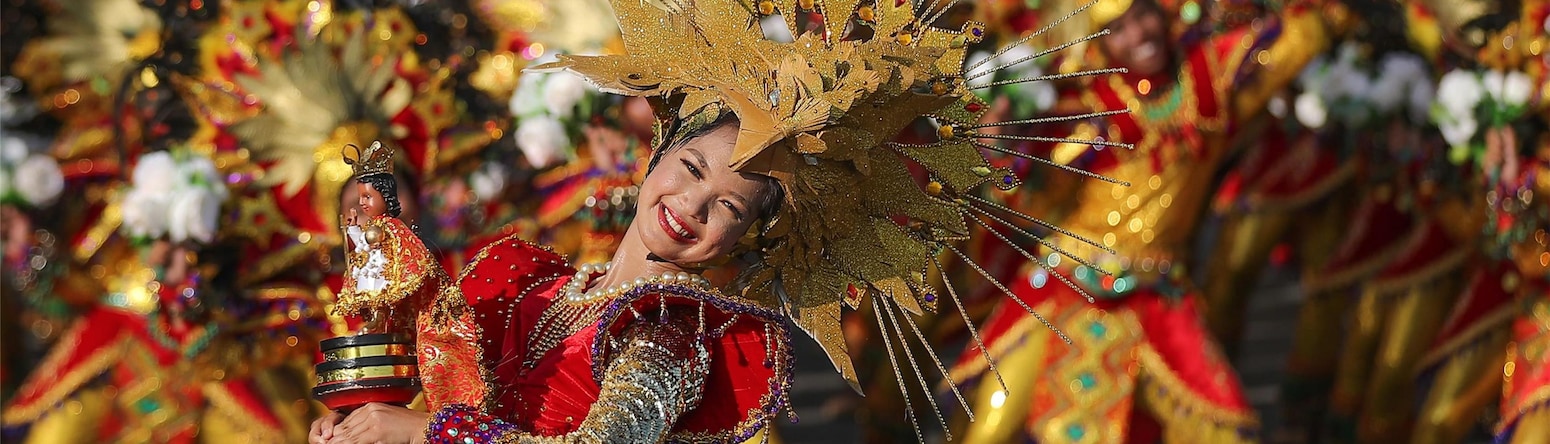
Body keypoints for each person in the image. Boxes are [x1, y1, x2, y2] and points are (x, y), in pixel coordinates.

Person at [306, 0, 1125, 442]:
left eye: (727, 207)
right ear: (658, 152)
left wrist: (428, 435)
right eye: (693, 172)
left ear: (746, 237)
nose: (691, 207)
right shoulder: (539, 282)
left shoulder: (671, 333)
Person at [947, 0, 1329, 441]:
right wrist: (1004, 145)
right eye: (1118, 28)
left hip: (1158, 301)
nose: (1139, 34)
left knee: (1226, 435)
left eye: (1143, 15)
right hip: (1065, 291)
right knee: (987, 431)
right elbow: (1031, 200)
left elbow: (1305, 38)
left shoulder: (1208, 76)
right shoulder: (1083, 105)